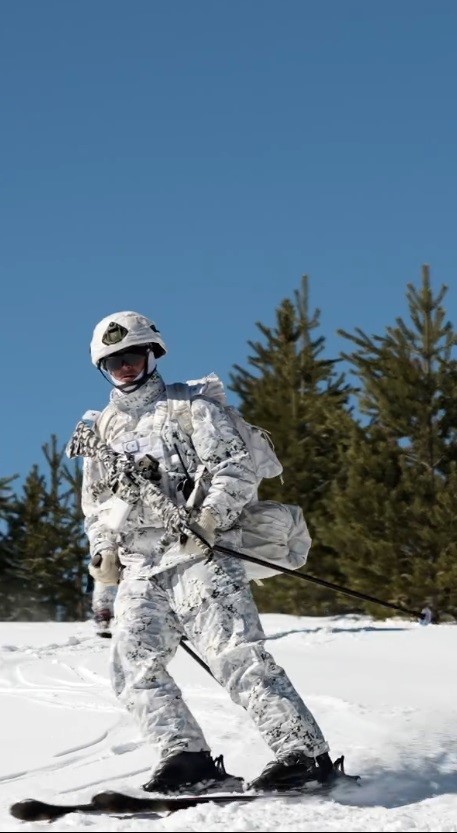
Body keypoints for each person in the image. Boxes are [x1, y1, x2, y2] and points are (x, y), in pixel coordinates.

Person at [78, 310, 341, 794]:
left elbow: (235, 468)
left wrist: (209, 520)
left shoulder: (192, 407)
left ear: (152, 354)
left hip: (202, 554)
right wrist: (103, 550)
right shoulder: (102, 431)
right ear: (103, 368)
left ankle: (303, 753)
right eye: (114, 362)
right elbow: (97, 505)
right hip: (140, 566)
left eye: (132, 356)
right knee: (131, 665)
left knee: (235, 654)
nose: (125, 367)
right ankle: (185, 757)